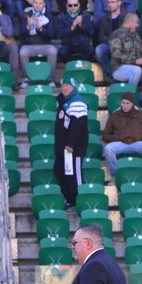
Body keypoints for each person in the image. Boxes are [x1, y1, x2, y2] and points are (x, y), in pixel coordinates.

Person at [102, 91, 142, 178]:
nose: (125, 106)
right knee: (108, 148)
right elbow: (105, 136)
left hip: (137, 143)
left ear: (132, 104)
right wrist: (117, 137)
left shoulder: (141, 115)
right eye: (123, 103)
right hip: (120, 143)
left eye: (127, 103)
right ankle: (115, 176)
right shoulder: (114, 116)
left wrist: (139, 137)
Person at [53, 76, 88, 211]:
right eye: (62, 86)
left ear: (73, 87)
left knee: (75, 176)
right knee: (59, 171)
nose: (64, 88)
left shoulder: (78, 102)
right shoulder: (65, 102)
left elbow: (78, 126)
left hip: (73, 148)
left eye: (67, 85)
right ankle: (71, 200)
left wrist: (70, 144)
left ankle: (80, 203)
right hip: (63, 148)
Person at [19, 0, 58, 73]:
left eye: (40, 3)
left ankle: (51, 76)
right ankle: (26, 77)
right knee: (23, 52)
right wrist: (28, 26)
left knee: (53, 51)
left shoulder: (48, 16)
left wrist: (40, 28)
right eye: (36, 2)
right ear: (33, 3)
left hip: (44, 44)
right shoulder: (27, 15)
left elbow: (51, 34)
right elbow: (22, 34)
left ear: (44, 4)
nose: (38, 5)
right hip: (29, 44)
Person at [109, 12, 142, 89]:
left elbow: (141, 53)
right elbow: (116, 54)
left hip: (138, 69)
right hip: (119, 69)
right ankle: (131, 94)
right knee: (136, 70)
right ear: (129, 22)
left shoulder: (135, 35)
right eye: (136, 22)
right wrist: (135, 61)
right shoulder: (116, 34)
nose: (137, 25)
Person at [54, 0, 95, 65]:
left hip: (82, 45)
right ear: (66, 5)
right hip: (68, 45)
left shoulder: (85, 15)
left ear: (79, 5)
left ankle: (81, 66)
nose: (73, 7)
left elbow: (91, 31)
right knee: (62, 51)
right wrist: (72, 27)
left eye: (75, 5)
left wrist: (81, 25)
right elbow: (58, 34)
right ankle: (72, 66)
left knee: (91, 50)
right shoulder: (61, 16)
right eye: (70, 5)